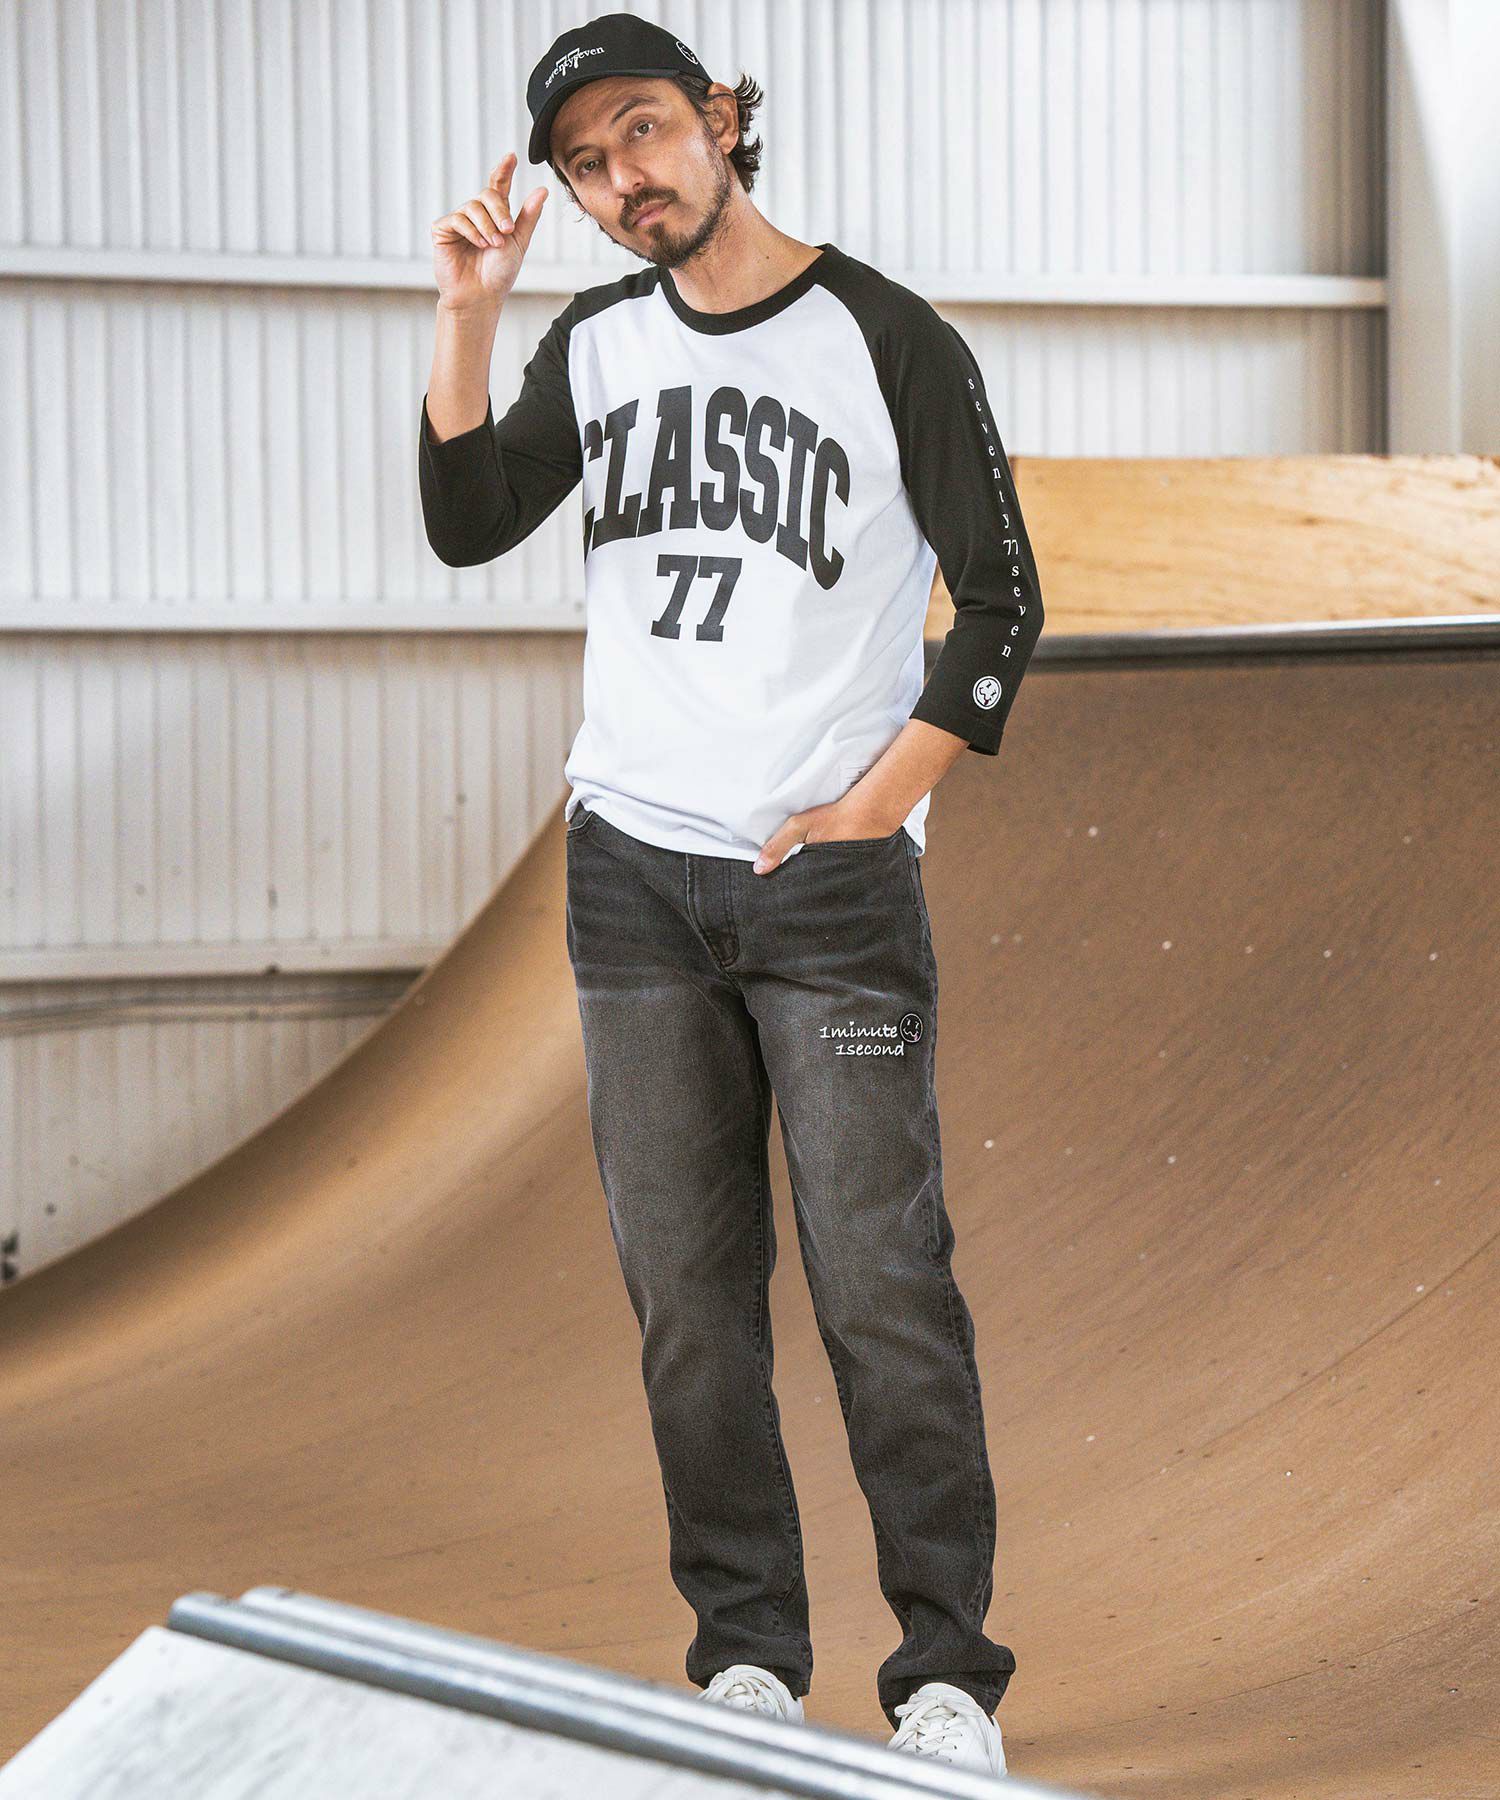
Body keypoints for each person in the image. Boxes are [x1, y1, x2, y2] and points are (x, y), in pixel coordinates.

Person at [418, 14, 1044, 1779]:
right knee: (689, 1301)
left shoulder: (887, 337)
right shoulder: (597, 341)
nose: (624, 180)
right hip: (633, 879)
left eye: (644, 133)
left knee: (881, 1286)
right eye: (587, 166)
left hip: (828, 896)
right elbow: (469, 520)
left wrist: (872, 811)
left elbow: (1002, 605)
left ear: (716, 120)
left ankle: (944, 1679)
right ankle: (746, 1659)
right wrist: (467, 313)